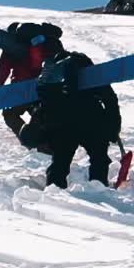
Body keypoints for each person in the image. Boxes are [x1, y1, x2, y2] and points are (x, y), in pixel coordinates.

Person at [19, 50, 121, 188]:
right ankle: (98, 189)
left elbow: (43, 106)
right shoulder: (91, 75)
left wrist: (43, 127)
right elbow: (110, 100)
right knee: (99, 159)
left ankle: (54, 192)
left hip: (63, 125)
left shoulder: (49, 81)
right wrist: (113, 126)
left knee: (60, 162)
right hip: (91, 122)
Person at [0, 23, 63, 137]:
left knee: (10, 114)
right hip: (44, 87)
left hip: (21, 86)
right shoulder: (44, 43)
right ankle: (45, 144)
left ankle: (30, 140)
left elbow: (4, 66)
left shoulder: (12, 46)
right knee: (40, 114)